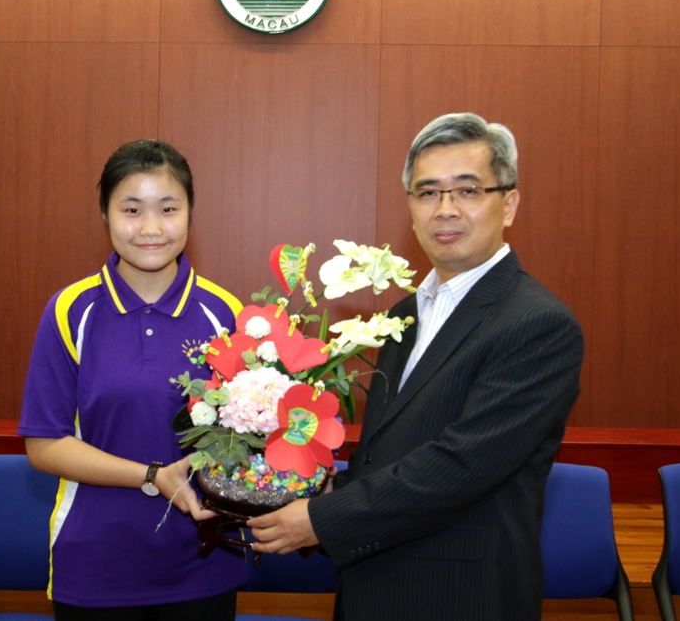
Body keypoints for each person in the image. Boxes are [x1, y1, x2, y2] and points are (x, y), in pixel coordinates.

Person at [248, 113, 583, 620]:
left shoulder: (537, 323)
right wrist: (288, 487)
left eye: (467, 191)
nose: (445, 210)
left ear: (509, 204)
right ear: (410, 209)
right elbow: (389, 453)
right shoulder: (404, 314)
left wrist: (322, 518)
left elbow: (461, 465)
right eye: (427, 193)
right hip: (373, 582)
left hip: (462, 595)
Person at [19, 140, 246, 621]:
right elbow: (44, 446)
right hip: (95, 565)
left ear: (190, 212)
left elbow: (246, 440)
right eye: (131, 209)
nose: (150, 228)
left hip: (203, 561)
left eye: (168, 208)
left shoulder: (226, 313)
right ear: (104, 215)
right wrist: (152, 477)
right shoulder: (70, 311)